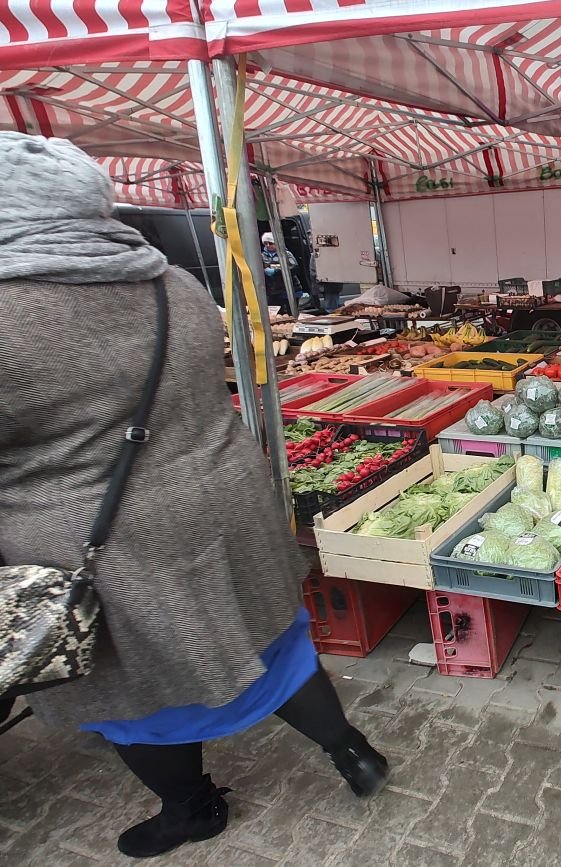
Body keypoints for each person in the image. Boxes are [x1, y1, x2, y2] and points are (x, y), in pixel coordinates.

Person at [0, 132, 386, 859]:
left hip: (104, 540)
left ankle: (192, 807)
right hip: (223, 497)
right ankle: (353, 752)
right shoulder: (169, 282)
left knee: (133, 693)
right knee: (274, 641)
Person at [261, 231, 298, 310]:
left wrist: (277, 271)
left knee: (290, 312)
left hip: (288, 289)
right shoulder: (262, 256)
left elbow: (294, 268)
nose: (268, 245)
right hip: (272, 291)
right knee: (277, 315)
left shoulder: (286, 254)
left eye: (270, 243)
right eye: (265, 243)